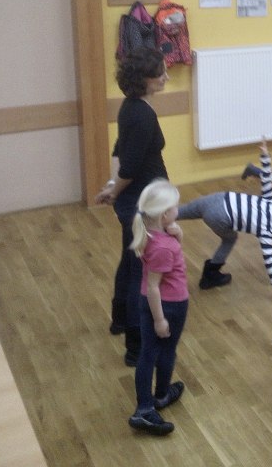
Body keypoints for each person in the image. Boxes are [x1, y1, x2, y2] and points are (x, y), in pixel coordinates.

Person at [94, 47, 169, 367]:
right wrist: (114, 190)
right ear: (144, 79)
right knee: (141, 272)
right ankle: (136, 347)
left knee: (130, 261)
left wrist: (114, 187)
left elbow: (119, 150)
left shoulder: (131, 107)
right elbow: (131, 165)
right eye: (160, 73)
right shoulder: (141, 114)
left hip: (136, 198)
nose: (166, 77)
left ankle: (120, 320)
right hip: (143, 204)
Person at [178, 146, 272, 304]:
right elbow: (270, 261)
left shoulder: (270, 202)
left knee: (179, 212)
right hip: (218, 217)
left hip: (217, 198)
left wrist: (266, 156)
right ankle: (210, 275)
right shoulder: (266, 232)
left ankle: (151, 216)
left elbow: (266, 177)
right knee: (229, 239)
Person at [127, 180, 188, 436]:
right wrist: (160, 319)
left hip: (158, 303)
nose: (178, 210)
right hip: (168, 305)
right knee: (159, 352)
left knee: (154, 352)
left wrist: (177, 235)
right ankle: (146, 407)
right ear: (164, 214)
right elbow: (154, 286)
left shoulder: (153, 234)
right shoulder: (163, 246)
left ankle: (159, 396)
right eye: (175, 207)